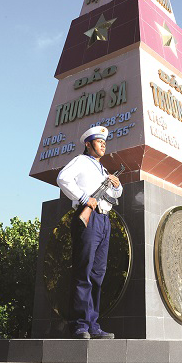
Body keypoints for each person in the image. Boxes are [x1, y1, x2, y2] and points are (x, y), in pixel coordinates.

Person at [57, 126, 123, 339]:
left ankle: (93, 324)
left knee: (97, 275)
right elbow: (63, 178)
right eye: (98, 140)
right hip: (89, 219)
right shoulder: (81, 161)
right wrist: (84, 198)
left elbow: (114, 194)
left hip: (104, 220)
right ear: (88, 144)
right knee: (83, 272)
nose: (103, 144)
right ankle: (79, 325)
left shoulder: (102, 169)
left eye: (104, 141)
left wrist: (117, 184)